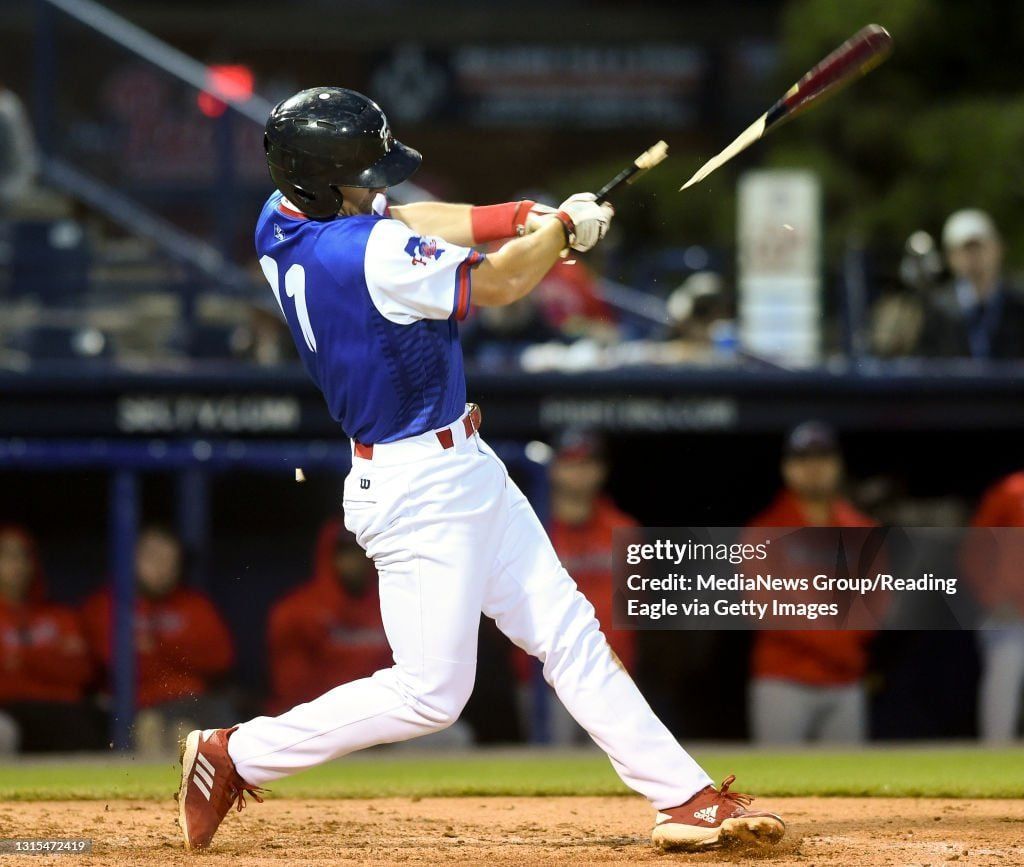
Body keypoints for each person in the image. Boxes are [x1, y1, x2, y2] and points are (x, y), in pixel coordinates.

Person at [176, 87, 783, 852]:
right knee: (431, 693)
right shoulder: (366, 254)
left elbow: (405, 221)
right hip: (417, 486)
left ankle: (685, 796)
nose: (381, 186)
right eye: (367, 174)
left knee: (569, 632)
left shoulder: (283, 219)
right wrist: (560, 233)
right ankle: (236, 753)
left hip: (460, 465)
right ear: (326, 179)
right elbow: (495, 284)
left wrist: (520, 218)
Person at [746, 422, 876, 744]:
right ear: (787, 468)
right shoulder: (763, 531)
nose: (814, 468)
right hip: (783, 680)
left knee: (851, 787)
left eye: (823, 458)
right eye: (803, 459)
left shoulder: (862, 530)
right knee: (777, 788)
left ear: (838, 465)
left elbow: (872, 607)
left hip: (845, 684)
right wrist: (838, 648)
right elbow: (769, 609)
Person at [514, 431, 637, 743]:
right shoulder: (526, 528)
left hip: (613, 675)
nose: (579, 472)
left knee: (625, 774)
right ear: (552, 468)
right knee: (551, 768)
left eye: (587, 463)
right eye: (569, 463)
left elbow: (638, 607)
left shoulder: (624, 530)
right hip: (546, 677)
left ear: (601, 469)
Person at [84, 526, 235, 754]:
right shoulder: (105, 605)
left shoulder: (195, 606)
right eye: (153, 558)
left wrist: (161, 646)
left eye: (170, 561)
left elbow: (220, 659)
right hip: (137, 705)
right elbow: (110, 661)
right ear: (131, 558)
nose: (162, 569)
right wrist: (175, 654)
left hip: (192, 701)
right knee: (148, 725)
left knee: (213, 721)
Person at [266, 519, 393, 714]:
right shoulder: (295, 610)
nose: (355, 561)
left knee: (452, 736)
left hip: (382, 719)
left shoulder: (393, 604)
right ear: (328, 555)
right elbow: (291, 690)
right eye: (345, 552)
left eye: (362, 552)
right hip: (317, 721)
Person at [0, 525, 98, 752]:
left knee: (90, 724)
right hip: (9, 713)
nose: (16, 564)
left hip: (61, 713)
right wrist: (50, 661)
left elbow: (81, 672)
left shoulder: (60, 616)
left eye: (22, 555)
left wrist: (23, 660)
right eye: (6, 555)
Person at [914, 209, 1024, 359]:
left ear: (998, 248)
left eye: (980, 247)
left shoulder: (1018, 303)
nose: (974, 257)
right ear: (950, 257)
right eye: (966, 249)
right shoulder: (936, 308)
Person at [968, 472, 1024, 741]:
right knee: (1003, 696)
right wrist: (992, 597)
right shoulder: (1012, 491)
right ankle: (993, 765)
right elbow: (976, 548)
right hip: (1011, 616)